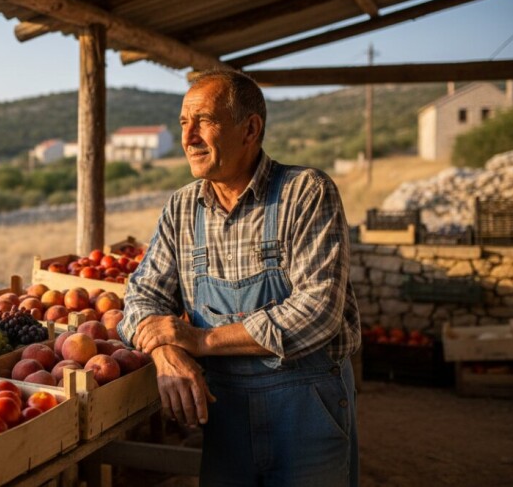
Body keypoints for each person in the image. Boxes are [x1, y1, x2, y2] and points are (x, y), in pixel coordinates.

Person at [118, 69, 361, 486]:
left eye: (204, 121)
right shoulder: (182, 208)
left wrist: (200, 341)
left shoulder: (306, 192)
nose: (188, 137)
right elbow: (140, 298)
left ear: (250, 129)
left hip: (306, 411)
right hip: (226, 415)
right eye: (183, 123)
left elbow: (317, 312)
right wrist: (164, 351)